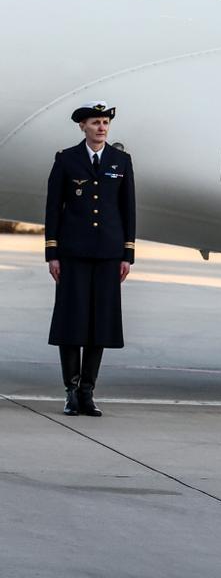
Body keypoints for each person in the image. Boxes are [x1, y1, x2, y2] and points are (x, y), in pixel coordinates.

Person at [45, 101, 135, 417]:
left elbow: (128, 209)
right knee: (72, 323)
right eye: (95, 122)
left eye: (104, 122)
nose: (101, 127)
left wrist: (127, 254)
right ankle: (71, 392)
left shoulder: (120, 160)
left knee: (100, 325)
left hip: (109, 254)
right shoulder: (66, 160)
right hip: (73, 254)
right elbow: (54, 207)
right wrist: (52, 253)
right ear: (82, 126)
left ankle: (88, 392)